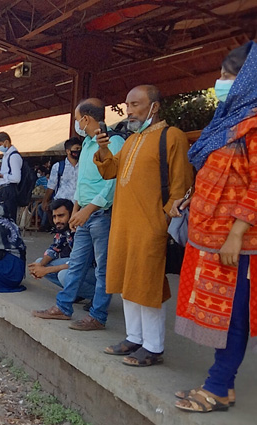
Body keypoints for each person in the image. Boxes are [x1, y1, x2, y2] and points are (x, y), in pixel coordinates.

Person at [170, 42, 256, 412]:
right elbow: (214, 171)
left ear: (248, 80)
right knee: (221, 312)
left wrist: (237, 233)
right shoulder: (227, 121)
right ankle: (224, 383)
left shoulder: (254, 125)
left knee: (234, 313)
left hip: (236, 240)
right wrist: (190, 197)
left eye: (227, 75)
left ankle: (218, 387)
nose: (219, 82)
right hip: (211, 237)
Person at [92, 86, 193, 364]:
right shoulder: (131, 140)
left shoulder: (171, 136)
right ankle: (134, 338)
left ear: (155, 106)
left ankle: (154, 346)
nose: (130, 110)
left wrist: (165, 221)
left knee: (147, 285)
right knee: (127, 282)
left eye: (136, 104)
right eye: (127, 105)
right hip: (123, 223)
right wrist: (103, 148)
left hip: (151, 225)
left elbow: (181, 185)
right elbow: (110, 170)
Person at [33, 98, 126, 331]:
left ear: (86, 118)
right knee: (75, 263)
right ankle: (63, 307)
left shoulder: (113, 142)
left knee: (103, 268)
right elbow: (82, 182)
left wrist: (88, 209)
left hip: (100, 214)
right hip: (83, 213)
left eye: (77, 119)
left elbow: (112, 184)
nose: (77, 124)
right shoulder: (86, 144)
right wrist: (76, 209)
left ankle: (98, 315)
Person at [28, 198, 96, 303]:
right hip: (77, 266)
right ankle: (77, 292)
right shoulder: (63, 229)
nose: (57, 220)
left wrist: (45, 270)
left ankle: (97, 296)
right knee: (39, 262)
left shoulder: (82, 230)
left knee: (64, 275)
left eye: (61, 216)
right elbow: (54, 248)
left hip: (94, 272)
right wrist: (39, 266)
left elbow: (77, 263)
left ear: (72, 214)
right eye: (54, 216)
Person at [42, 138, 81, 213]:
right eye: (76, 148)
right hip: (61, 205)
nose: (79, 151)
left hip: (78, 205)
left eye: (80, 148)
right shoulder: (58, 166)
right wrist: (45, 201)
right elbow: (51, 186)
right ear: (68, 151)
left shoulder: (83, 166)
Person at [0, 131, 22, 220]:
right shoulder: (6, 155)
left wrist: (0, 175)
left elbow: (16, 178)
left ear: (6, 142)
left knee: (9, 218)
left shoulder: (14, 156)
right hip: (4, 190)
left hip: (9, 190)